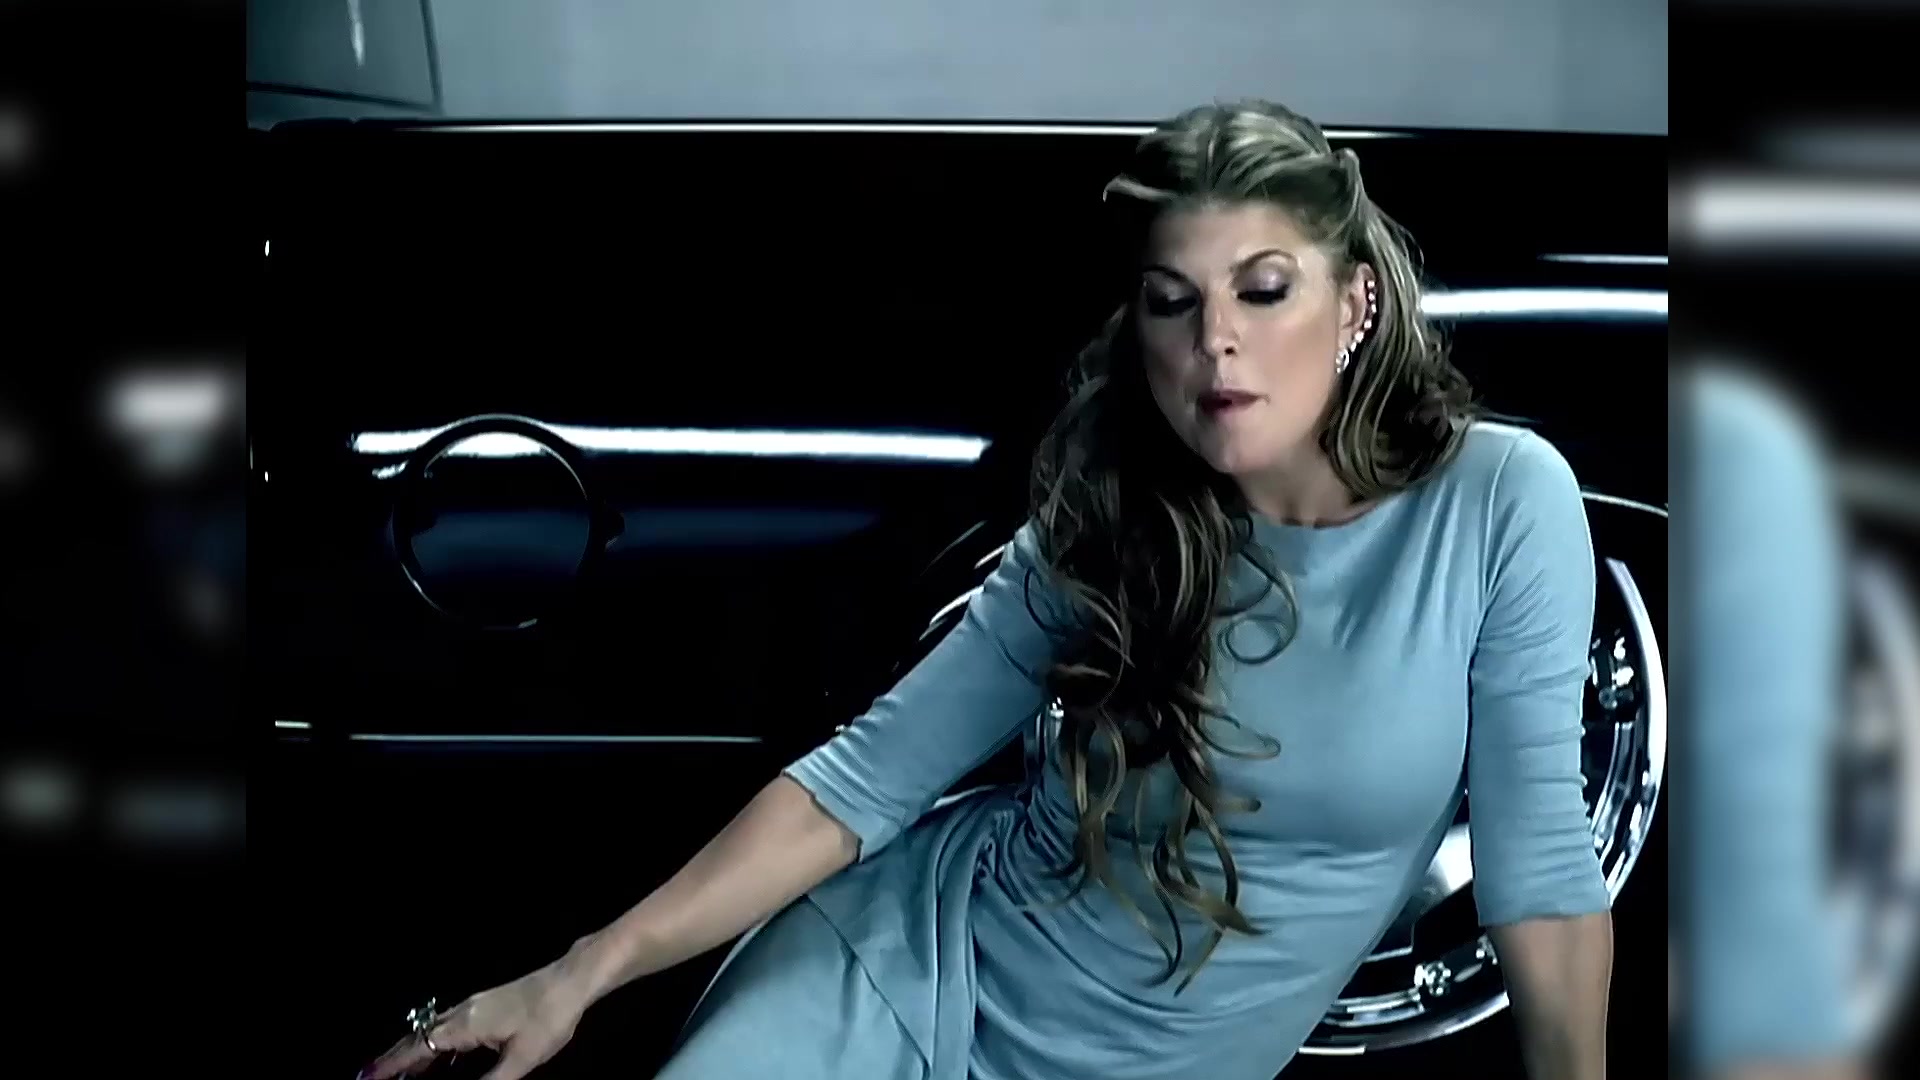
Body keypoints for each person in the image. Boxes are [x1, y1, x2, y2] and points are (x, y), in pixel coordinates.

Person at [360, 99, 1614, 1080]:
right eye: (1171, 302)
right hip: (895, 992)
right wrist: (579, 975)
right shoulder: (1114, 520)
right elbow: (864, 782)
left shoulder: (1501, 503)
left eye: (1263, 289)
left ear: (1356, 303)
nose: (1215, 341)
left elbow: (1543, 880)